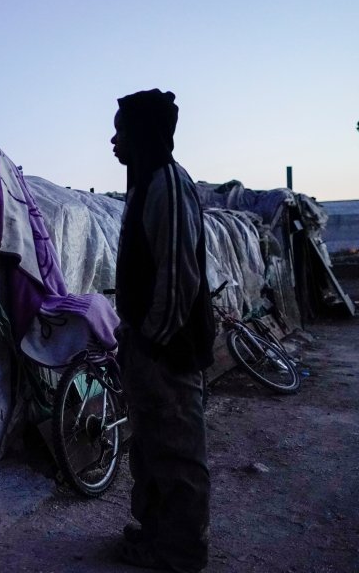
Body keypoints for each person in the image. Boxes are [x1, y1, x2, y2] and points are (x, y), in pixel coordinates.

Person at [110, 89, 216, 572]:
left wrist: (152, 341)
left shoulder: (168, 185)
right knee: (150, 446)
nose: (114, 141)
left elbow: (177, 280)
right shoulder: (146, 184)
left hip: (167, 350)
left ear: (143, 134)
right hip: (147, 344)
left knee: (177, 453)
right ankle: (155, 534)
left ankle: (179, 552)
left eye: (121, 131)